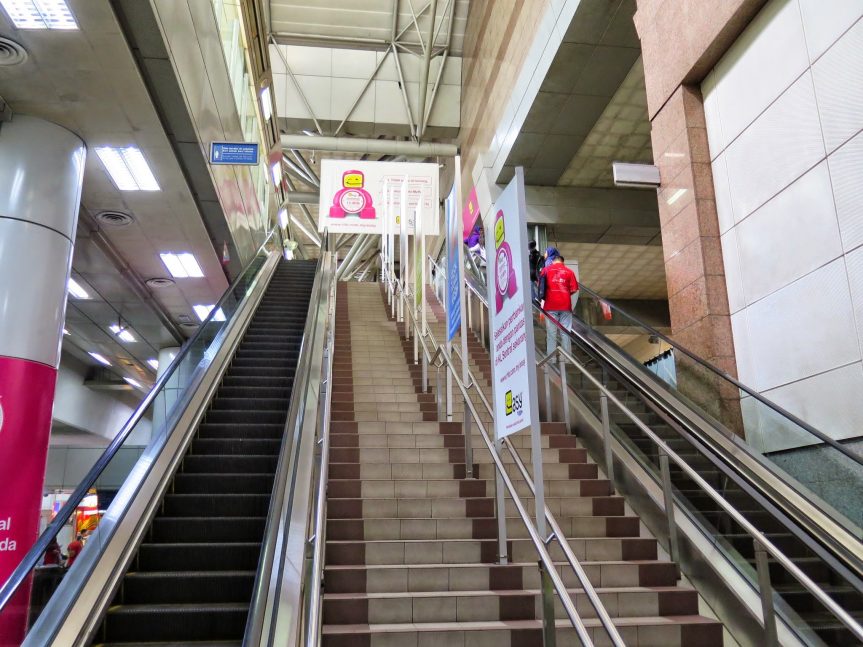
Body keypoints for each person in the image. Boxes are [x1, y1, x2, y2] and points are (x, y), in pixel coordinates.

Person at [539, 248, 578, 357]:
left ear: (553, 261)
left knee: (551, 333)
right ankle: (566, 358)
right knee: (565, 333)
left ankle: (551, 359)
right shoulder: (569, 272)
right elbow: (574, 289)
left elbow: (541, 287)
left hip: (550, 305)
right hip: (565, 306)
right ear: (562, 261)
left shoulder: (545, 270)